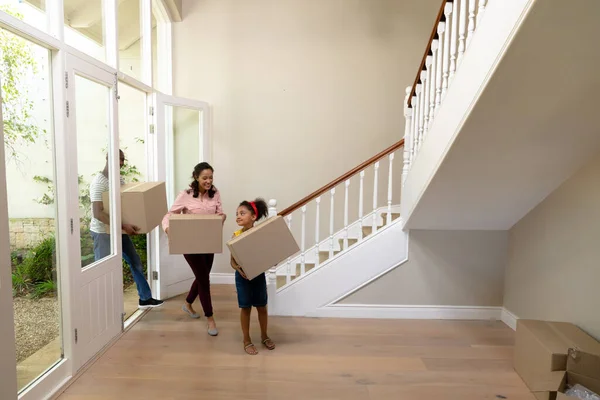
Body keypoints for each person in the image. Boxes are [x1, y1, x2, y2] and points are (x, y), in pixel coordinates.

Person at [89, 149, 164, 309]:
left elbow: (125, 207)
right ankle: (101, 308)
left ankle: (145, 298)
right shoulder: (99, 182)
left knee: (135, 261)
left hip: (118, 231)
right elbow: (97, 213)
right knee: (102, 270)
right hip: (103, 233)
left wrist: (133, 224)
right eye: (118, 159)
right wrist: (123, 226)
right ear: (108, 158)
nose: (121, 163)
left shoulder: (120, 180)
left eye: (123, 159)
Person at [162, 162, 226, 336]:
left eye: (211, 177)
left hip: (208, 242)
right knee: (204, 279)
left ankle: (188, 303)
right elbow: (169, 215)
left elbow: (220, 213)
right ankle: (210, 318)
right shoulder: (186, 195)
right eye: (204, 177)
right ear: (196, 177)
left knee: (202, 276)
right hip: (189, 243)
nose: (208, 181)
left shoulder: (215, 194)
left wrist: (222, 218)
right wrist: (169, 230)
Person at [230, 198, 275, 355]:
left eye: (242, 213)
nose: (238, 216)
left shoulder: (259, 235)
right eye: (237, 214)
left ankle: (264, 335)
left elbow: (265, 255)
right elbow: (232, 262)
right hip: (242, 278)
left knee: (262, 306)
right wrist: (238, 268)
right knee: (246, 308)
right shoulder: (235, 236)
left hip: (258, 276)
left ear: (253, 217)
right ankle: (246, 340)